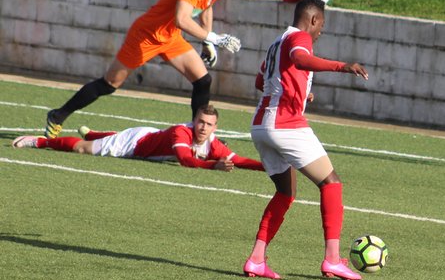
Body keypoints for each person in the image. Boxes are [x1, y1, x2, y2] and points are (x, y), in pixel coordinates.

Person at [44, 0, 240, 139]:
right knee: (110, 84)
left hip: (170, 37)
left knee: (203, 81)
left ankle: (197, 137)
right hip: (145, 36)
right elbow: (182, 19)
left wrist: (207, 42)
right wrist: (214, 38)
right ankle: (58, 116)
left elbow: (206, 7)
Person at [242, 0, 369, 280]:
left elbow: (261, 81)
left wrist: (299, 92)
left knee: (285, 193)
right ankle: (333, 259)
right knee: (331, 182)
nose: (321, 30)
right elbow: (300, 59)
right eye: (321, 24)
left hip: (261, 126)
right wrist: (342, 66)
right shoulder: (300, 38)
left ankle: (257, 259)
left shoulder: (277, 42)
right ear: (313, 19)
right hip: (285, 124)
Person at [14, 105, 263, 171]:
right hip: (135, 144)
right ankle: (39, 142)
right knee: (83, 149)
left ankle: (91, 132)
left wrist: (270, 167)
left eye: (208, 124)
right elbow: (185, 160)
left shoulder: (213, 142)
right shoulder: (182, 131)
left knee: (97, 139)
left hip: (148, 136)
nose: (203, 127)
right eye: (200, 122)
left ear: (215, 127)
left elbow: (239, 160)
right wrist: (213, 166)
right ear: (194, 120)